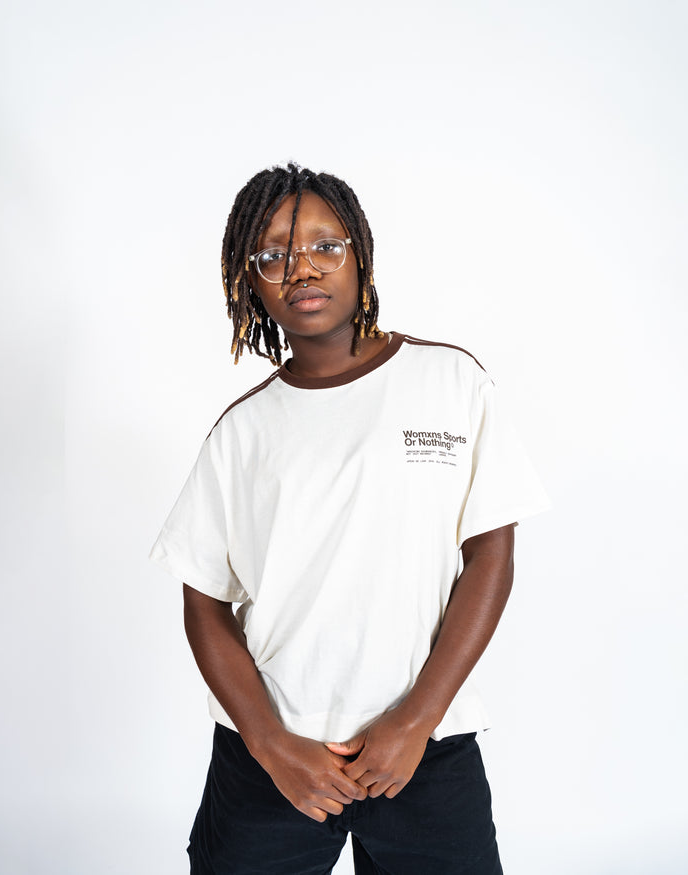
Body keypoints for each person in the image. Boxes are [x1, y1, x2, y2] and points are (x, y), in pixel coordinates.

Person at [150, 162, 549, 874]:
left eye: (325, 246)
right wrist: (270, 744)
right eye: (272, 255)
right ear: (248, 281)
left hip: (425, 750)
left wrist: (415, 719)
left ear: (361, 255)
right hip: (275, 760)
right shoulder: (242, 433)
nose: (301, 267)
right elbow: (203, 602)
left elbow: (491, 554)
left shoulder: (450, 383)